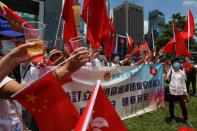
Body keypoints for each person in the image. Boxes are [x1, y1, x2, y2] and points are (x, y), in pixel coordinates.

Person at [0, 41, 89, 131]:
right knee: (33, 123)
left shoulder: (43, 66)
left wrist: (13, 56)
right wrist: (66, 69)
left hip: (38, 103)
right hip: (28, 105)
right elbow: (18, 92)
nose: (1, 45)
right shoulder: (27, 66)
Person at [164, 57, 192, 127]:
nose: (176, 64)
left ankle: (186, 119)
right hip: (172, 93)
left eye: (177, 62)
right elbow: (166, 80)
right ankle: (172, 118)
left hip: (180, 93)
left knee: (183, 106)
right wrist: (165, 75)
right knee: (171, 106)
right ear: (172, 64)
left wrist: (185, 91)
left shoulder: (182, 72)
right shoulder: (170, 72)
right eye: (174, 63)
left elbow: (183, 83)